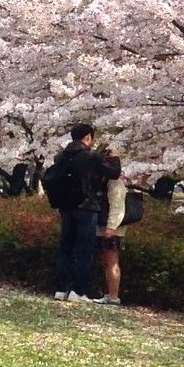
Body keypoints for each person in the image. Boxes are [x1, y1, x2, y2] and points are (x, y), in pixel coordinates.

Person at [54, 123, 121, 303]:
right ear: (88, 137)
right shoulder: (89, 156)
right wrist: (115, 158)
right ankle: (79, 291)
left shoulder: (61, 156)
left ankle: (61, 289)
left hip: (66, 207)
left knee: (66, 247)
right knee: (84, 249)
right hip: (86, 206)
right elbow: (113, 173)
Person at [94, 165, 128, 306]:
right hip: (107, 227)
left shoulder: (115, 182)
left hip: (112, 228)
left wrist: (111, 226)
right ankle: (110, 294)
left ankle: (113, 296)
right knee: (107, 262)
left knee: (112, 261)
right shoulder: (106, 181)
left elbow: (117, 206)